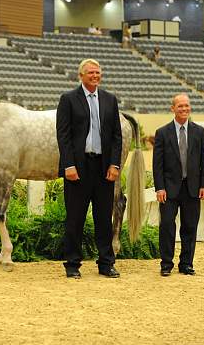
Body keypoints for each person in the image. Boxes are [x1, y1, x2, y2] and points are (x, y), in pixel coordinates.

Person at [56, 58, 122, 279]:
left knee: (104, 218)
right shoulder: (68, 100)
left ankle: (106, 263)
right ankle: (72, 264)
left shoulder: (110, 100)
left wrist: (115, 164)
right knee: (75, 218)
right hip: (78, 168)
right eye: (91, 72)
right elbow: (63, 136)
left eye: (98, 72)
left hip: (103, 168)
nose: (95, 76)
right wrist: (69, 165)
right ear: (81, 75)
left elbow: (116, 136)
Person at [153, 93, 204, 277]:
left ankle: (186, 263)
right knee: (167, 226)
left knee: (190, 227)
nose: (184, 109)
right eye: (180, 106)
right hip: (169, 190)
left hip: (193, 188)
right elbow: (157, 164)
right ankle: (166, 264)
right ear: (173, 109)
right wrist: (159, 187)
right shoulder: (162, 133)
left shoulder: (199, 132)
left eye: (187, 106)